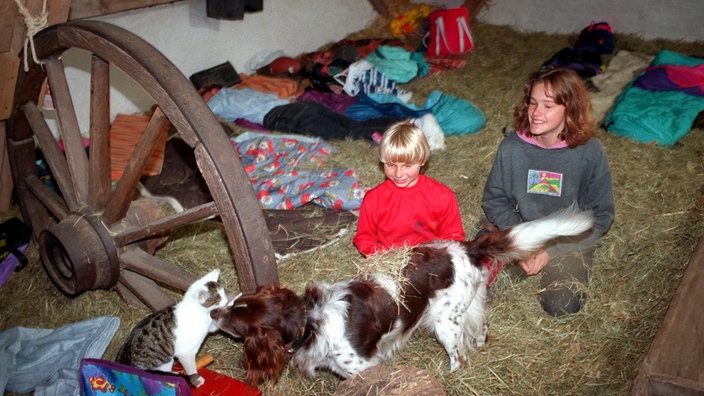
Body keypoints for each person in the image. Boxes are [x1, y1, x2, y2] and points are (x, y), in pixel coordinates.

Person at [480, 67, 615, 317]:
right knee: (479, 286)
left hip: (566, 238)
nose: (536, 113)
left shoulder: (589, 153)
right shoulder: (512, 148)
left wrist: (550, 250)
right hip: (518, 228)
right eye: (532, 103)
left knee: (562, 305)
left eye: (547, 106)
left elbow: (600, 215)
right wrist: (524, 242)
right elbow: (494, 199)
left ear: (570, 108)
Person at [353, 120, 465, 257]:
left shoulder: (442, 196)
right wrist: (381, 257)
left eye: (407, 166)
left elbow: (454, 236)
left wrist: (439, 259)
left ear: (422, 160)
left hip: (430, 261)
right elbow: (364, 237)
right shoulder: (374, 199)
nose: (398, 173)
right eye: (390, 164)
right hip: (389, 260)